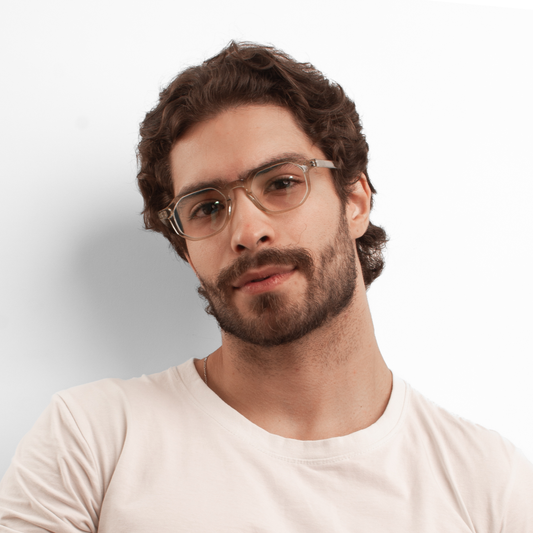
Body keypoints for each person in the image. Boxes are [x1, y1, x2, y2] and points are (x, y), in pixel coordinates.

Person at [1, 41, 532, 532]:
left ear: (354, 201)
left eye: (281, 182)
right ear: (186, 250)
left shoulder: (489, 485)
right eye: (207, 208)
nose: (247, 231)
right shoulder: (91, 441)